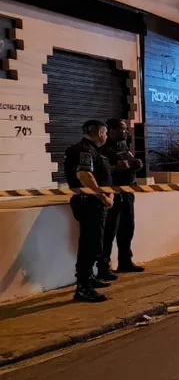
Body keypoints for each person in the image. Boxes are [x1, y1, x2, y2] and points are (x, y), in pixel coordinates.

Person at [64, 120, 115, 302]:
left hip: (95, 204)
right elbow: (84, 175)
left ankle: (90, 278)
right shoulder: (84, 150)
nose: (106, 136)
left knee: (94, 243)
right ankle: (83, 287)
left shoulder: (93, 150)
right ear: (100, 132)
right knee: (89, 244)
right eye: (105, 133)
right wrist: (103, 197)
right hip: (89, 203)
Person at [102, 118, 145, 275]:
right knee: (110, 231)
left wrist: (136, 164)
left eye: (126, 129)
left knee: (127, 228)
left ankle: (125, 261)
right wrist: (115, 168)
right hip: (114, 195)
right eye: (123, 129)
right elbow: (101, 172)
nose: (126, 132)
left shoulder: (124, 146)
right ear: (112, 131)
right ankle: (104, 265)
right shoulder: (104, 149)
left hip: (127, 193)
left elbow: (129, 162)